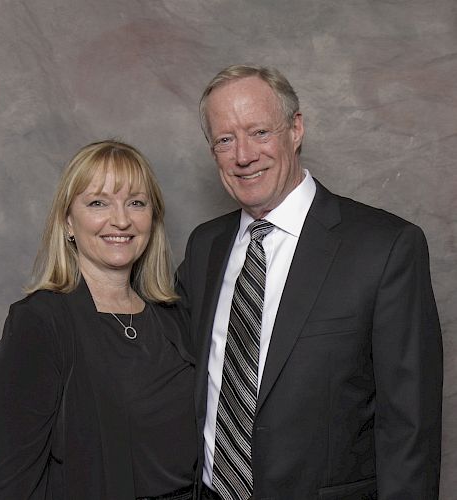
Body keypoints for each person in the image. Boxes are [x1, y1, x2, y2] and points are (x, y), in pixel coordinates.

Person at [177, 65, 443, 499]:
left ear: (295, 129)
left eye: (260, 132)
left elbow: (409, 427)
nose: (243, 155)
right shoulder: (205, 246)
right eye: (225, 140)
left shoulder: (385, 247)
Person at [0, 140, 196, 500]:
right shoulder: (39, 324)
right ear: (68, 221)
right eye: (98, 202)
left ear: (153, 218)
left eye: (136, 202)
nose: (121, 219)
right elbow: (18, 486)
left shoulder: (175, 318)